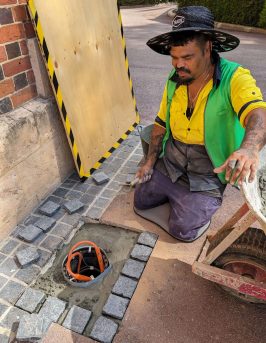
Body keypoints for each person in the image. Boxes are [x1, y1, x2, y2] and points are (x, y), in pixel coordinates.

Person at [133, 6, 266, 242]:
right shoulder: (174, 80)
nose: (178, 65)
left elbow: (258, 114)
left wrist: (249, 148)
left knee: (182, 230)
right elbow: (160, 124)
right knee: (140, 200)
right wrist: (149, 161)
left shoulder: (234, 77)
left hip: (207, 170)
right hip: (171, 161)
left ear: (208, 48)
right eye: (174, 57)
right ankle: (178, 196)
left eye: (187, 57)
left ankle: (198, 202)